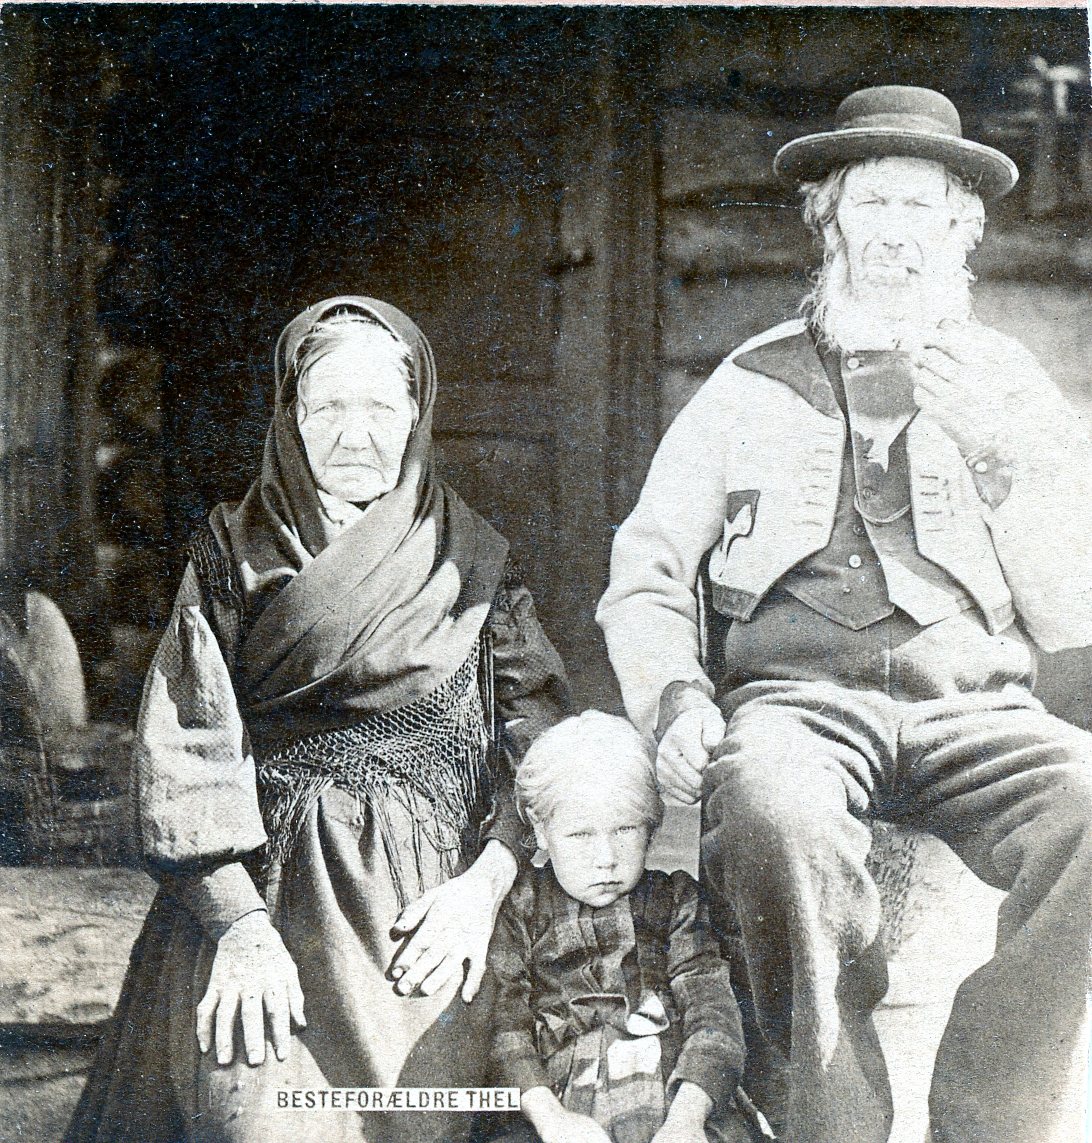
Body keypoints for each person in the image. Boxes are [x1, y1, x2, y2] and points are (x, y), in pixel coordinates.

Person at [596, 87, 1092, 1143]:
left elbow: (1075, 608)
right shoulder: (749, 380)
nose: (898, 235)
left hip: (977, 711)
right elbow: (647, 566)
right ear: (831, 223)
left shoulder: (1009, 380)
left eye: (922, 208)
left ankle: (994, 1117)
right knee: (767, 808)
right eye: (873, 205)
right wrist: (675, 698)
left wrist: (998, 455)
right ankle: (832, 1124)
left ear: (961, 231)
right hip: (800, 707)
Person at [67, 296, 570, 1143]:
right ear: (291, 416)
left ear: (417, 414)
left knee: (436, 1116)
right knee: (255, 1114)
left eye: (380, 407)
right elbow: (185, 747)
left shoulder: (472, 559)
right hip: (261, 892)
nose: (354, 434)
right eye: (327, 406)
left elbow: (543, 740)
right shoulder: (232, 553)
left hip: (428, 905)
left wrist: (486, 886)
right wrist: (238, 927)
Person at [487, 712, 757, 1143]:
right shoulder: (521, 907)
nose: (606, 858)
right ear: (540, 828)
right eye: (580, 835)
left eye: (625, 829)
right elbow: (505, 1028)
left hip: (673, 1097)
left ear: (651, 827)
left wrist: (687, 1121)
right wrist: (552, 1120)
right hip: (552, 1109)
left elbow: (713, 1014)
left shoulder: (676, 900)